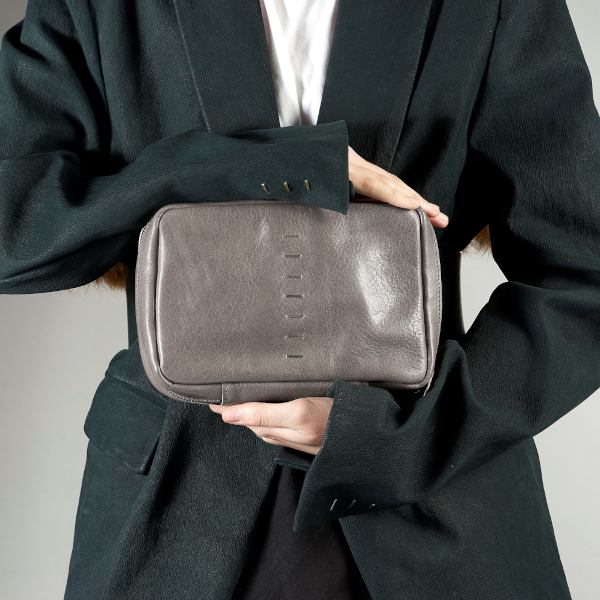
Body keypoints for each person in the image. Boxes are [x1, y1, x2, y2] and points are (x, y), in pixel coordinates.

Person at [0, 0, 599, 598]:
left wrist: (402, 434)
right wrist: (256, 166)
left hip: (433, 499)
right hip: (173, 511)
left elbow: (586, 272)